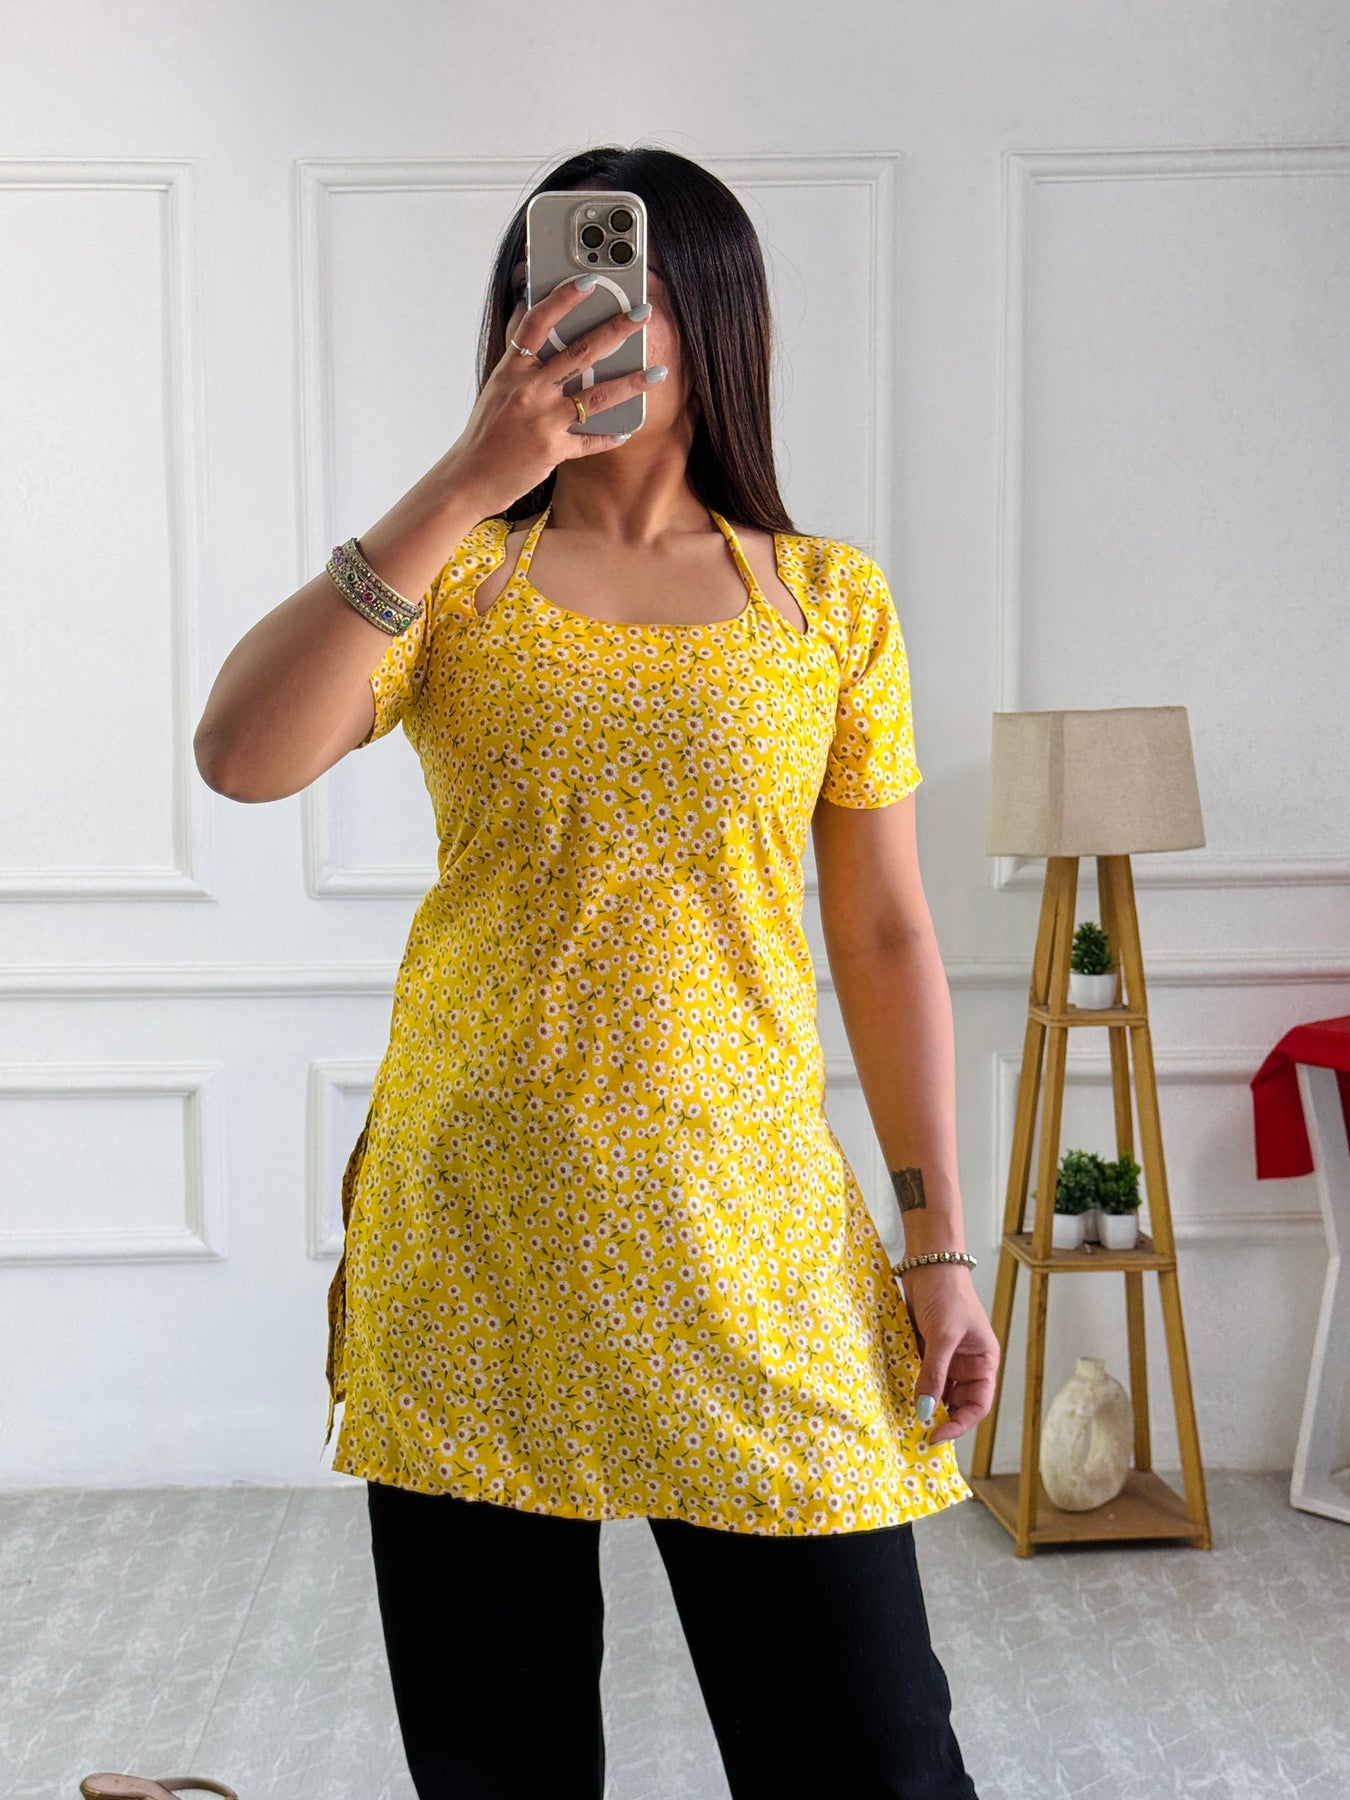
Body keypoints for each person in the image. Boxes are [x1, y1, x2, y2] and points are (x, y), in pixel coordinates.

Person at [194, 144, 999, 1800]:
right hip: (474, 1237)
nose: (574, 321)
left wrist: (937, 1245)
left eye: (615, 285)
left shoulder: (825, 603)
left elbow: (884, 934)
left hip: (749, 1239)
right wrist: (462, 478)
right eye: (538, 291)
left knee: (874, 1764)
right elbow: (240, 756)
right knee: (499, 1769)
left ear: (710, 313)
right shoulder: (455, 582)